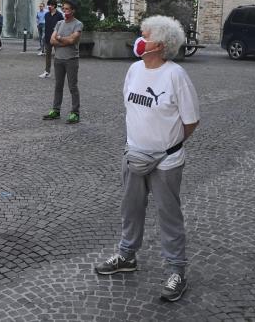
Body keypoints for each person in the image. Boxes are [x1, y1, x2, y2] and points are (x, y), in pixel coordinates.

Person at [95, 15, 199, 303]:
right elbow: (130, 108)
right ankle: (127, 256)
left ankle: (177, 270)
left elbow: (191, 121)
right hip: (133, 155)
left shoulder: (176, 75)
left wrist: (166, 146)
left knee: (169, 215)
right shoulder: (133, 69)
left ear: (161, 44)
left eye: (145, 35)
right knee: (130, 210)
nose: (139, 39)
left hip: (166, 161)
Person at [41, 0, 83, 124]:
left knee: (72, 86)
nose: (65, 11)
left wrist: (59, 38)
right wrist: (63, 39)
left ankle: (75, 112)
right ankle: (56, 110)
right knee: (58, 86)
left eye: (67, 9)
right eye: (64, 9)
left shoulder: (78, 24)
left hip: (71, 60)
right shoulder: (59, 23)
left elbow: (72, 40)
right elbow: (52, 40)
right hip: (58, 59)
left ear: (73, 10)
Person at [39, 0, 64, 78]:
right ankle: (47, 72)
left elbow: (62, 27)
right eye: (48, 5)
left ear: (54, 6)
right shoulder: (46, 15)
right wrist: (45, 37)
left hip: (56, 38)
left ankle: (60, 72)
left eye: (50, 5)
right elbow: (46, 26)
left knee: (59, 56)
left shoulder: (59, 15)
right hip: (47, 38)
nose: (49, 6)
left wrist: (59, 37)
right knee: (48, 56)